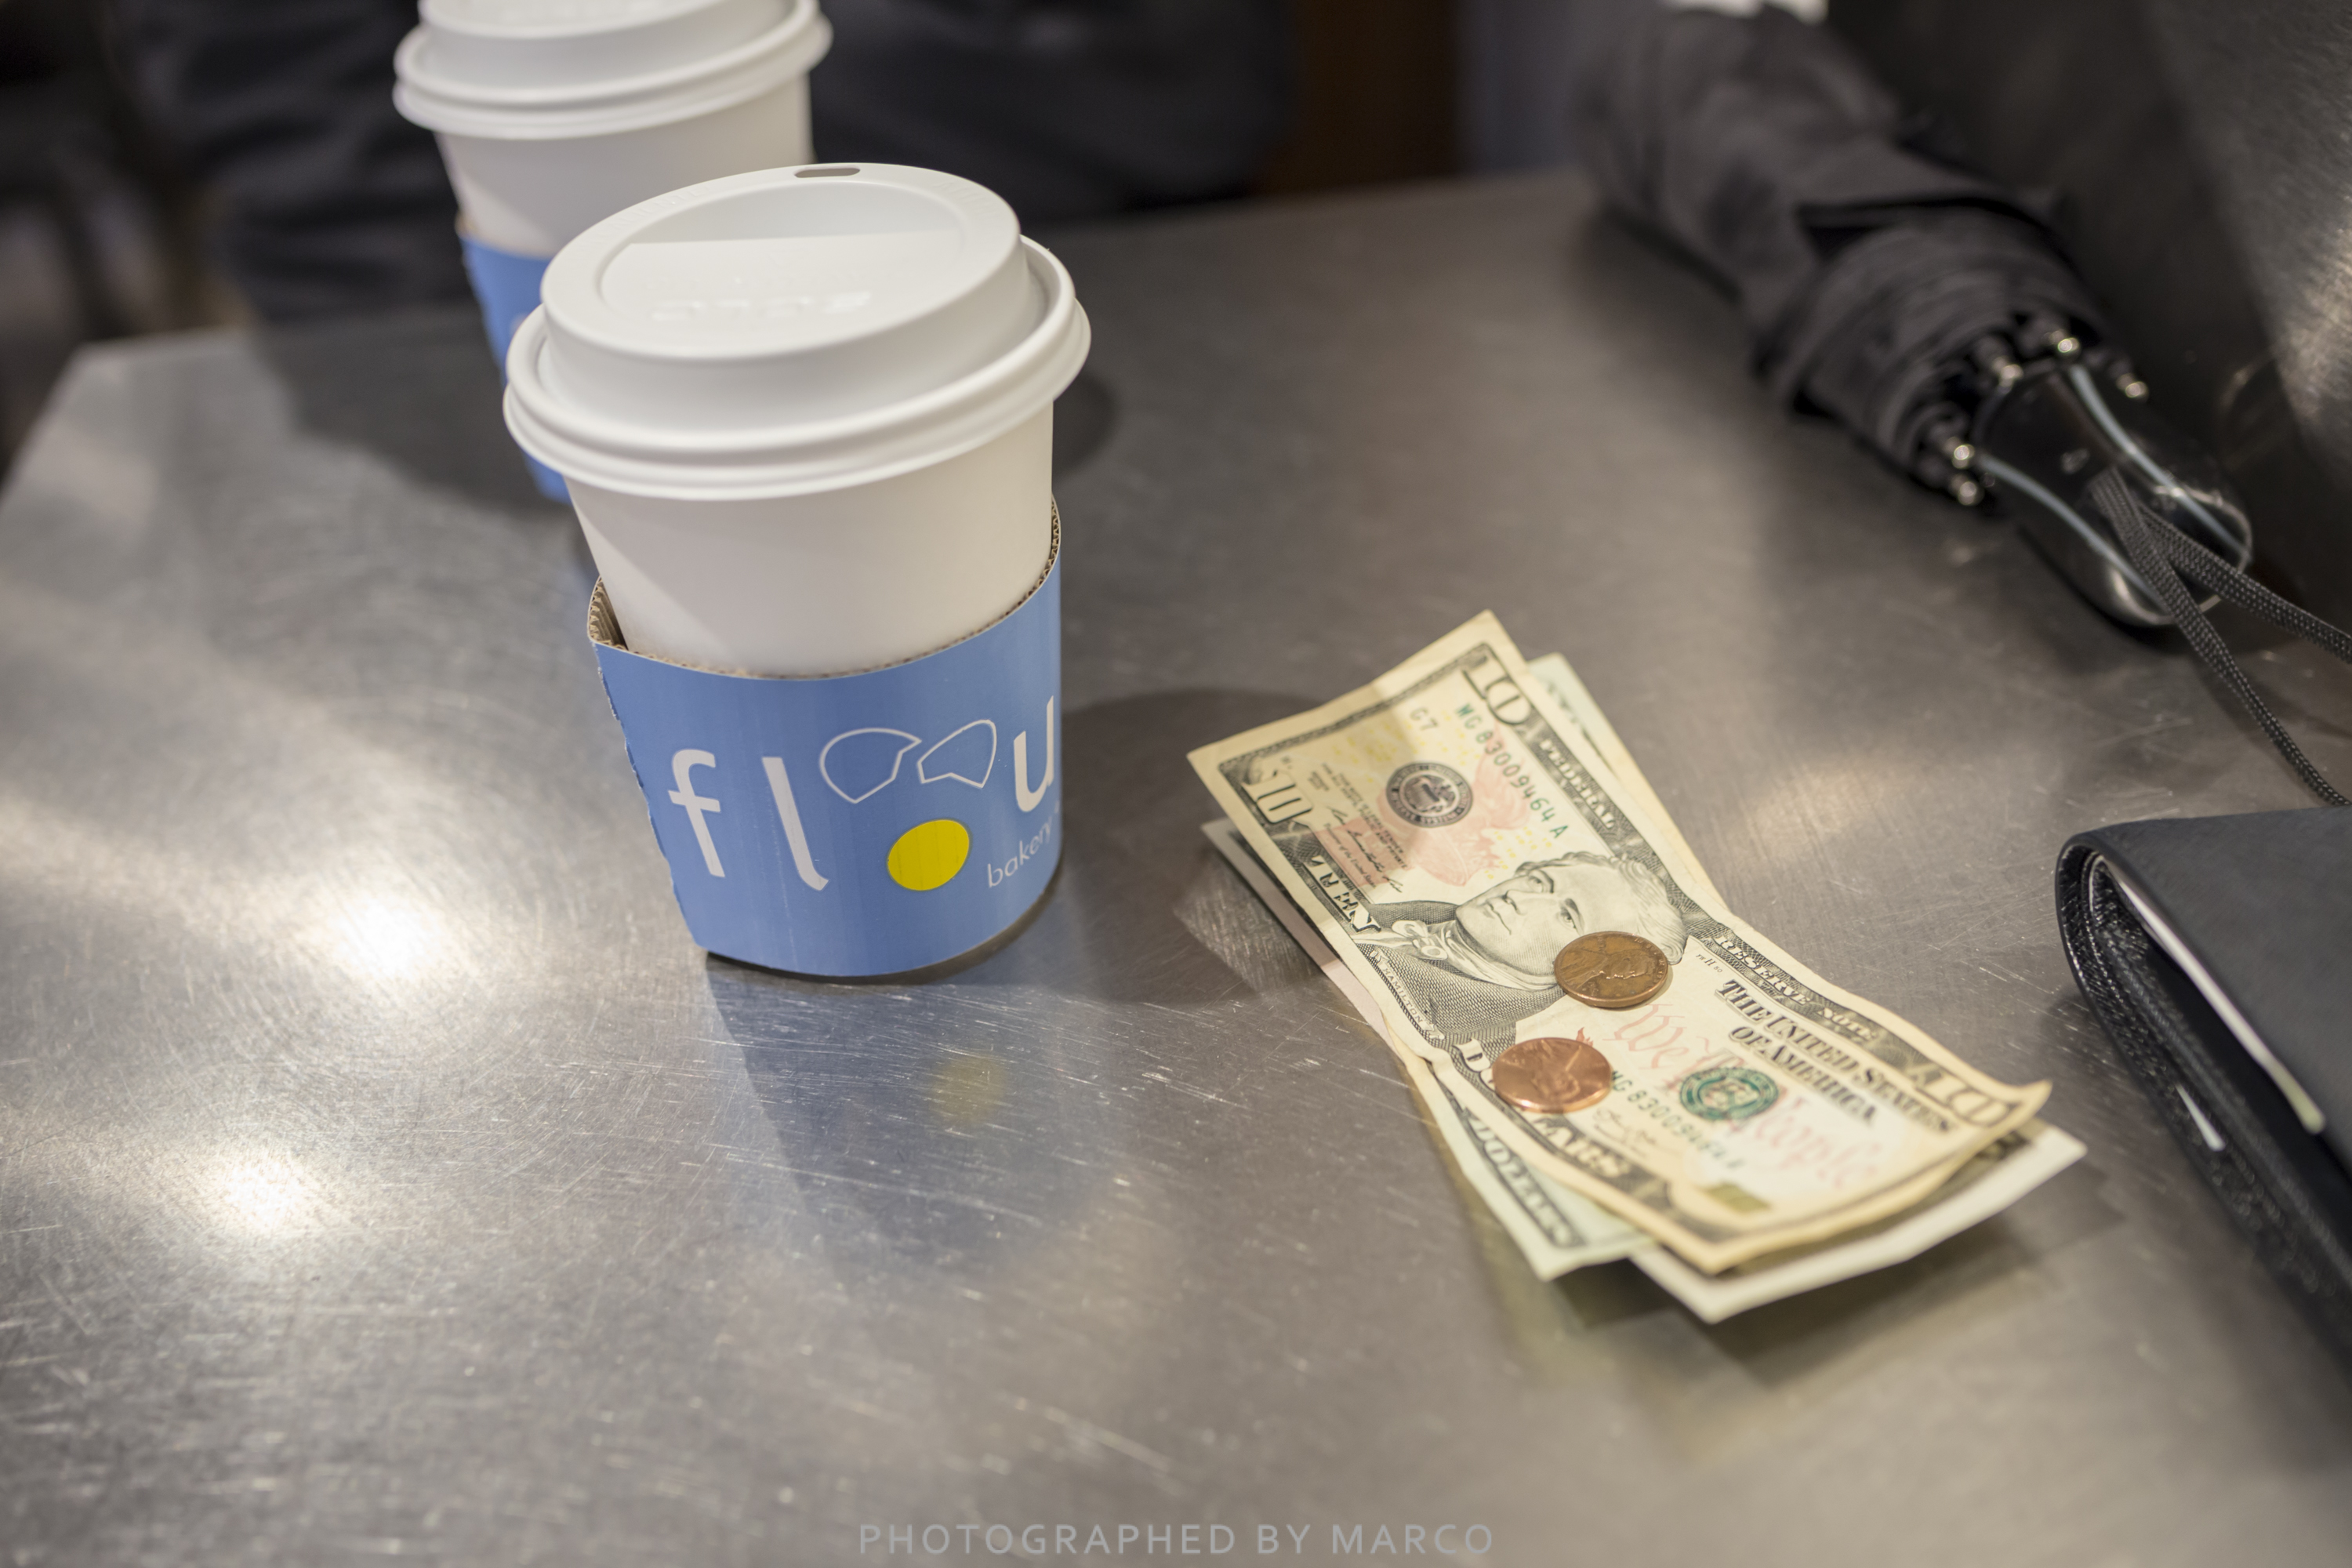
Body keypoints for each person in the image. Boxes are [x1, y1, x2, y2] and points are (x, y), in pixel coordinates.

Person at [1359, 849, 1689, 1049]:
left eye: (1567, 916)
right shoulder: (1400, 917)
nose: (1518, 897)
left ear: (1592, 972)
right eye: (1539, 882)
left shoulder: (1461, 1029)